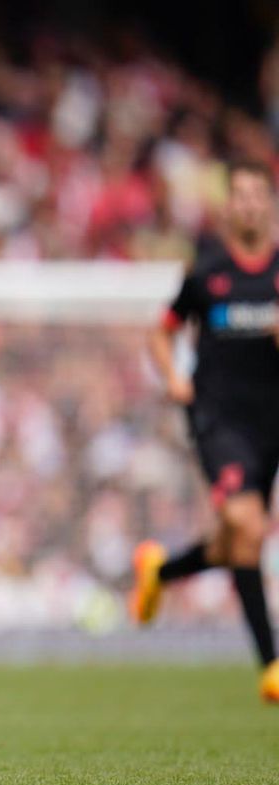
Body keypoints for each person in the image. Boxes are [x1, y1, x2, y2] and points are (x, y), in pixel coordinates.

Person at [132, 160, 279, 702]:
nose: (247, 204)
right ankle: (272, 665)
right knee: (248, 522)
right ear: (228, 208)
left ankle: (161, 571)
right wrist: (174, 378)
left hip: (271, 421)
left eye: (256, 195)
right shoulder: (209, 271)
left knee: (236, 538)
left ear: (269, 204)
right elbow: (160, 332)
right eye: (237, 195)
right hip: (218, 418)